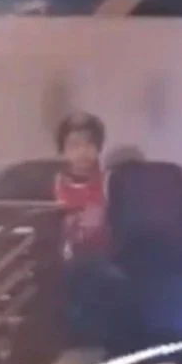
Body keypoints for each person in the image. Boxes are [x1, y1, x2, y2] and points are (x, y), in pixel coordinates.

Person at [53, 112, 109, 261]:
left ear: (99, 147)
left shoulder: (110, 183)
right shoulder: (53, 184)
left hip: (102, 263)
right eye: (74, 145)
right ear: (63, 150)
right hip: (60, 264)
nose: (82, 151)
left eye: (89, 144)